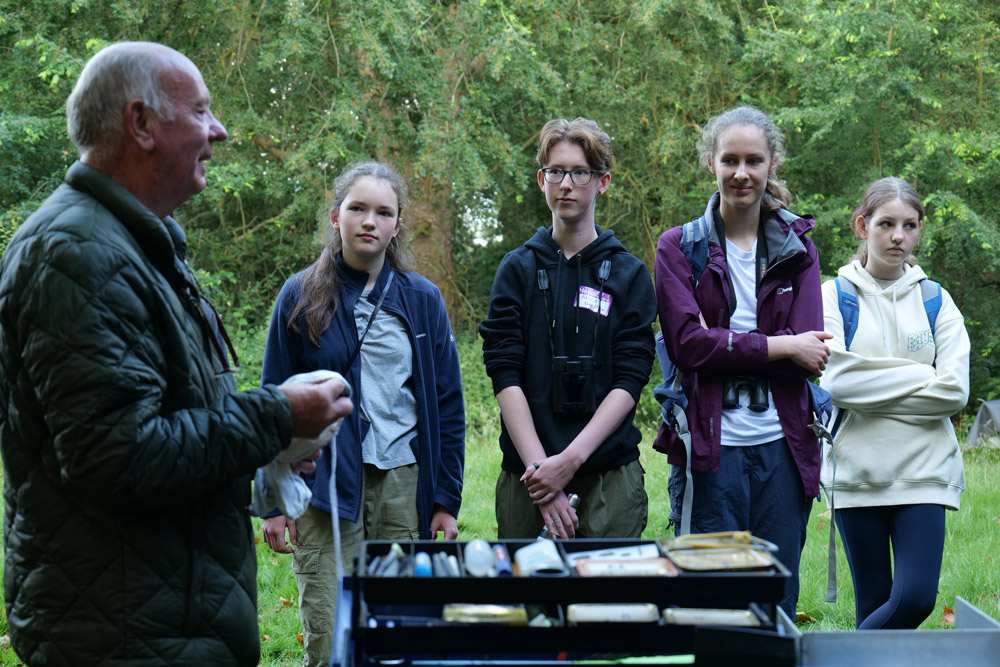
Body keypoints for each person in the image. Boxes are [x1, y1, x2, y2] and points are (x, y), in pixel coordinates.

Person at [0, 42, 352, 666]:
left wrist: (267, 451)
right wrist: (276, 416)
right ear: (140, 123)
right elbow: (117, 454)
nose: (219, 130)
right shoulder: (77, 254)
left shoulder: (136, 246)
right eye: (200, 111)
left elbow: (164, 423)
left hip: (162, 621)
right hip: (125, 636)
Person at [260, 161, 465, 667]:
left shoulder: (422, 299)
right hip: (325, 489)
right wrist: (272, 502)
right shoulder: (299, 295)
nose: (369, 221)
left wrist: (445, 498)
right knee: (331, 639)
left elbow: (447, 404)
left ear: (397, 226)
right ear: (336, 216)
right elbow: (272, 402)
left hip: (404, 486)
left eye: (383, 212)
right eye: (357, 208)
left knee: (403, 635)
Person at [653, 105, 830, 618]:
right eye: (730, 160)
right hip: (711, 449)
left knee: (776, 601)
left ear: (773, 164)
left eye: (754, 160)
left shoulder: (799, 248)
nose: (741, 173)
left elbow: (810, 355)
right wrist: (781, 346)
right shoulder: (679, 248)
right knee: (714, 603)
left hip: (784, 448)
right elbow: (687, 346)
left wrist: (724, 345)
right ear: (711, 162)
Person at [480, 117, 655, 541]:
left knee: (608, 589)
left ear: (602, 182)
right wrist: (542, 473)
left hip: (609, 478)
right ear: (542, 179)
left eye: (580, 173)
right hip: (527, 478)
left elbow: (631, 377)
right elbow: (504, 371)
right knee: (528, 588)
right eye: (556, 172)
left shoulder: (630, 275)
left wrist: (570, 461)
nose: (566, 184)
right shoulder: (516, 270)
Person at [819, 177, 969, 629]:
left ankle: (839, 659)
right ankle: (859, 659)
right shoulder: (832, 296)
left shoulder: (937, 301)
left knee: (915, 599)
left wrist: (872, 392)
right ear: (862, 226)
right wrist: (922, 376)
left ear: (920, 229)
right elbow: (837, 381)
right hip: (856, 473)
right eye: (886, 224)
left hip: (924, 472)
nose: (898, 236)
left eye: (909, 225)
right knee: (873, 603)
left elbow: (954, 393)